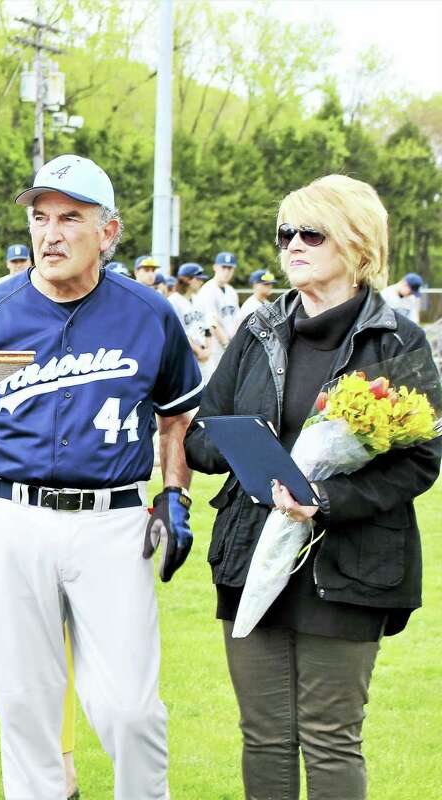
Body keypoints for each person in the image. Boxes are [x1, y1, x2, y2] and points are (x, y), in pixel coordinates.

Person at [0, 154, 203, 800]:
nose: (49, 234)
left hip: (112, 522)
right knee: (25, 708)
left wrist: (175, 495)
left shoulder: (150, 315)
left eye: (69, 218)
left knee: (129, 710)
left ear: (108, 233)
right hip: (9, 516)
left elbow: (175, 418)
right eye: (40, 218)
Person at [184, 174, 442, 800]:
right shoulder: (257, 329)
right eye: (285, 234)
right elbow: (199, 438)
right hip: (252, 557)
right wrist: (249, 447)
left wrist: (326, 500)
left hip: (350, 566)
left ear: (356, 244)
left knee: (330, 738)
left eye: (311, 233)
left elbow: (421, 460)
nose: (292, 245)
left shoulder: (395, 339)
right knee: (264, 736)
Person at [196, 251, 241, 372]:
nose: (226, 271)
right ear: (215, 267)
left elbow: (238, 319)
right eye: (223, 267)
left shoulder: (231, 291)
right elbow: (212, 323)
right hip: (214, 347)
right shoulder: (208, 290)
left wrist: (235, 343)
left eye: (230, 268)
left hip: (230, 345)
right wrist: (228, 345)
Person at [169, 262, 213, 372]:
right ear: (187, 279)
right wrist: (198, 351)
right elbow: (179, 332)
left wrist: (208, 349)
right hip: (186, 354)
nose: (201, 282)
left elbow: (208, 327)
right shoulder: (173, 301)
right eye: (198, 279)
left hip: (205, 354)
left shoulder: (200, 299)